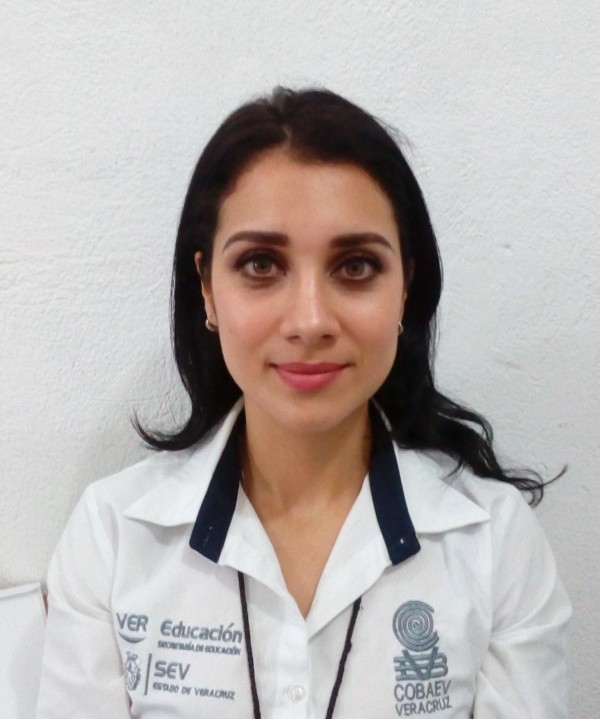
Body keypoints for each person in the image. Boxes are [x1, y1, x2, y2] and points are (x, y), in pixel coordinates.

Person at [36, 87, 571, 718]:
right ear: (206, 288)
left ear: (406, 286)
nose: (310, 321)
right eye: (261, 264)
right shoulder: (114, 536)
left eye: (356, 266)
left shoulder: (494, 542)